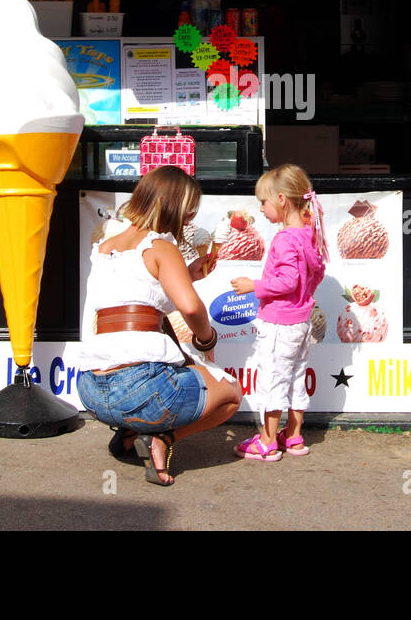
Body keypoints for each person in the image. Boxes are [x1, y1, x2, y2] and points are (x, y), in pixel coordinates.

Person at [74, 166, 240, 486]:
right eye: (189, 209)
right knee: (231, 393)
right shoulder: (162, 247)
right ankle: (163, 437)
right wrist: (207, 340)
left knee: (165, 382)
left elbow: (135, 295)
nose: (191, 216)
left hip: (91, 392)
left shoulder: (106, 247)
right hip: (139, 390)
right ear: (173, 206)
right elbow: (190, 307)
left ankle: (130, 432)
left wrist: (188, 275)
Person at [229, 163, 327, 461]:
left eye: (264, 202)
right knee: (296, 375)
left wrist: (254, 286)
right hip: (301, 320)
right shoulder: (310, 233)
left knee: (272, 377)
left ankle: (268, 440)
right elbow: (315, 274)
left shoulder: (285, 239)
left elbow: (287, 281)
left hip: (279, 322)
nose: (260, 209)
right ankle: (294, 436)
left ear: (282, 199)